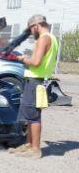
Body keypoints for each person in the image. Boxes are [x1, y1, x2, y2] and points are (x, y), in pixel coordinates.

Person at [9, 14, 59, 159]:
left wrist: (22, 58)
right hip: (39, 80)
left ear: (36, 26)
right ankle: (29, 144)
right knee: (31, 115)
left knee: (33, 116)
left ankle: (36, 149)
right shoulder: (53, 38)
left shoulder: (44, 38)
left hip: (35, 81)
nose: (31, 32)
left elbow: (36, 62)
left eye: (31, 29)